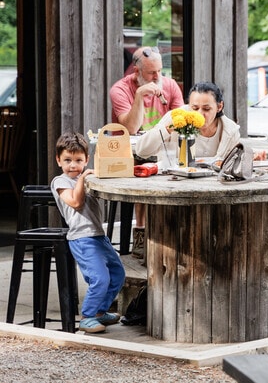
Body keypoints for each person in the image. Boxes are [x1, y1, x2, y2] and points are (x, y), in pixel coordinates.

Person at [110, 46, 185, 258]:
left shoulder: (169, 86)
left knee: (176, 170)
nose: (157, 76)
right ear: (137, 71)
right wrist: (139, 97)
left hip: (162, 148)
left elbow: (180, 118)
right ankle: (141, 234)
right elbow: (131, 128)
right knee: (143, 168)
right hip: (128, 151)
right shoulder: (120, 89)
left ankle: (166, 237)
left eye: (160, 71)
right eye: (152, 72)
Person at [51, 132, 126, 334]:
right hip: (82, 238)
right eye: (67, 160)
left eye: (78, 160)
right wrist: (83, 178)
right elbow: (76, 202)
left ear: (86, 160)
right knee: (99, 278)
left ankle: (100, 312)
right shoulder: (60, 182)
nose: (73, 165)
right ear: (59, 160)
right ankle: (87, 316)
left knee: (118, 274)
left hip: (98, 235)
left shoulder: (86, 178)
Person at [135, 81, 241, 167]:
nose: (200, 113)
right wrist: (167, 129)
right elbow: (141, 151)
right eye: (194, 108)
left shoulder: (230, 131)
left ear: (219, 107)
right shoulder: (175, 117)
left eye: (206, 109)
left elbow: (233, 165)